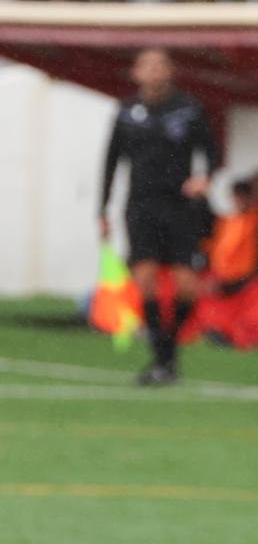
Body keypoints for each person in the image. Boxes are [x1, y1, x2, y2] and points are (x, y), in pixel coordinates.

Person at [99, 47, 219, 387]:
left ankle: (166, 353)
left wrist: (206, 177)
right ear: (136, 73)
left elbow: (211, 150)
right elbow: (110, 162)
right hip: (141, 205)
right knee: (146, 279)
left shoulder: (188, 110)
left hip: (179, 206)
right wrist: (102, 209)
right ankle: (163, 360)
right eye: (147, 65)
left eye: (160, 64)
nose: (154, 71)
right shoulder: (126, 113)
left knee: (186, 286)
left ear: (171, 71)